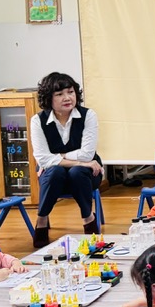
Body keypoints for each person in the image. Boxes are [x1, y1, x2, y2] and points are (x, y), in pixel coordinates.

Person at [29, 71, 104, 248]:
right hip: (54, 178)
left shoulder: (88, 115)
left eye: (70, 92)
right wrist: (79, 161)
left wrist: (59, 157)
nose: (67, 97)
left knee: (77, 172)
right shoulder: (37, 121)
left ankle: (88, 218)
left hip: (88, 174)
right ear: (49, 98)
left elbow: (87, 154)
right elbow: (43, 159)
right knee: (55, 172)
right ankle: (42, 219)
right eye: (59, 94)